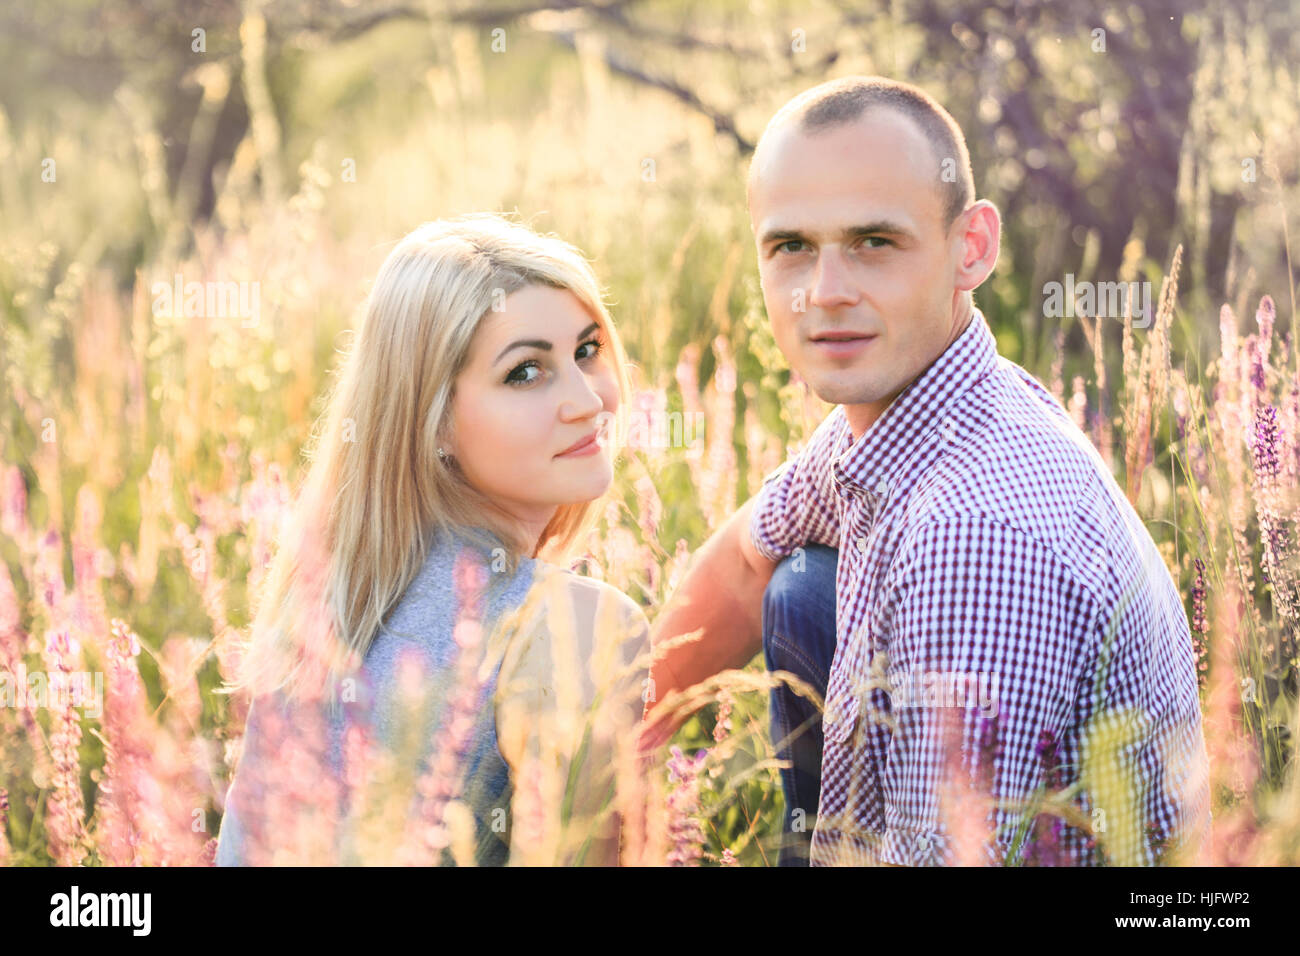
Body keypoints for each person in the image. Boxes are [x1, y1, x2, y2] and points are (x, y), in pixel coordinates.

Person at [641, 76, 1210, 866]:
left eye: (875, 242)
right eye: (791, 247)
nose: (825, 293)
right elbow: (744, 559)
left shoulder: (974, 532)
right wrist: (616, 761)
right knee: (801, 583)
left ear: (969, 247)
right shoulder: (919, 408)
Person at [215, 214, 649, 866]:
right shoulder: (575, 628)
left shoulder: (322, 607)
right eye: (526, 372)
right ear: (435, 423)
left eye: (587, 350)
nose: (588, 400)